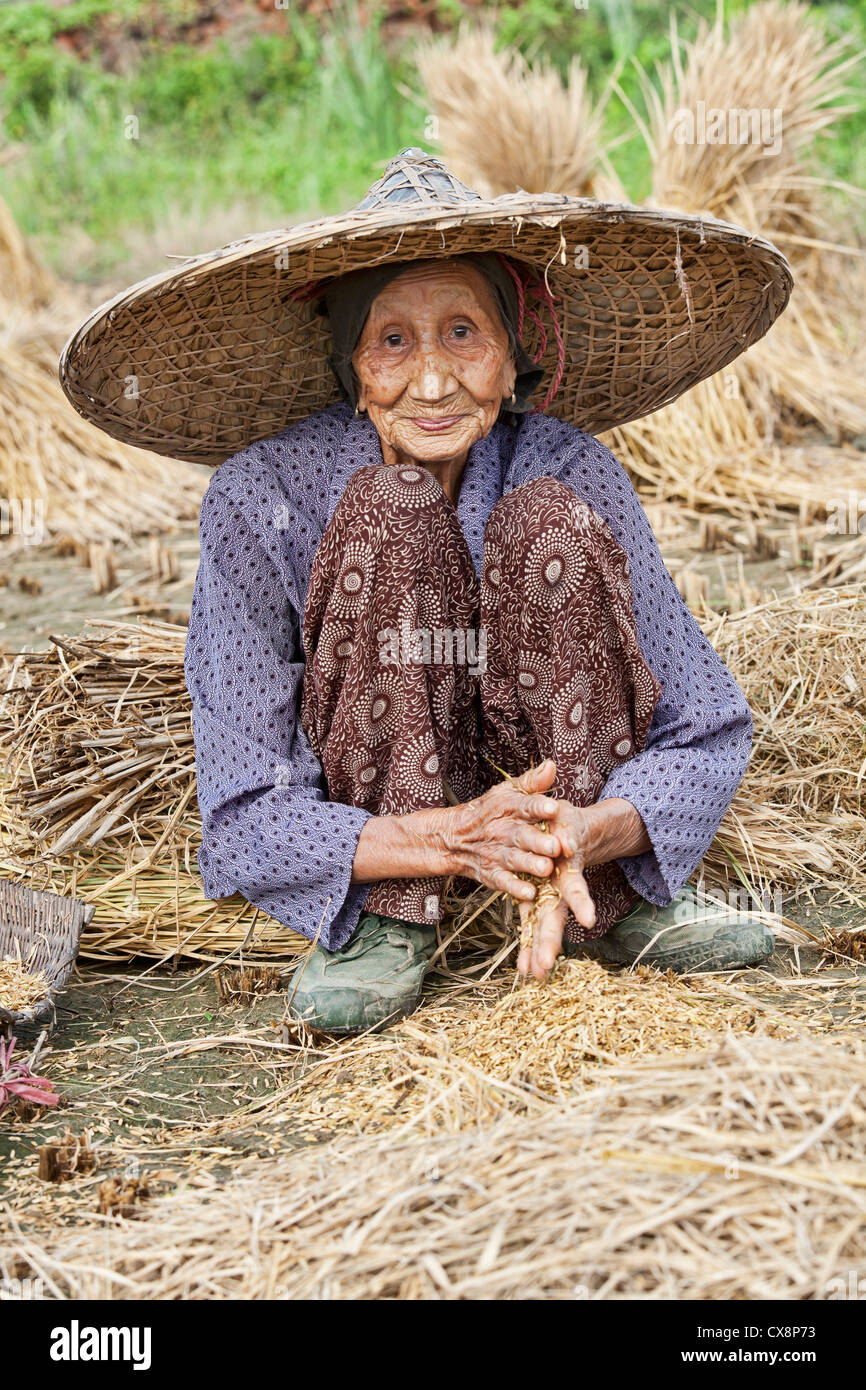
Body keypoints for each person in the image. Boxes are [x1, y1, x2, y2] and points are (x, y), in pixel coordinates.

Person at [60, 149, 793, 1034]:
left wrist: (585, 834)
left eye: (462, 332)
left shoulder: (566, 465)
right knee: (394, 508)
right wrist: (450, 838)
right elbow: (244, 809)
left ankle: (608, 903)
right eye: (394, 340)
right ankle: (386, 919)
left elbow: (708, 722)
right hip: (381, 832)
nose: (435, 380)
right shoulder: (261, 497)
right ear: (353, 370)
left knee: (548, 524)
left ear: (512, 357)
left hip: (565, 808)